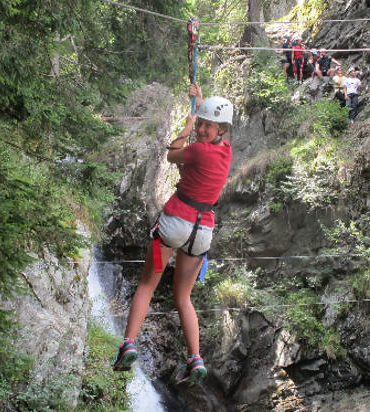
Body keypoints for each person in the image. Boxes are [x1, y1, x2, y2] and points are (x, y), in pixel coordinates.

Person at [113, 84, 233, 387]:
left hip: (174, 225)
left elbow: (172, 155)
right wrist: (201, 105)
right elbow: (212, 130)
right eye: (203, 124)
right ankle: (196, 359)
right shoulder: (225, 151)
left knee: (146, 285)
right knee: (183, 297)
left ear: (219, 128)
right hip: (202, 232)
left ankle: (128, 343)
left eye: (208, 126)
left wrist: (189, 123)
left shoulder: (196, 149)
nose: (204, 129)